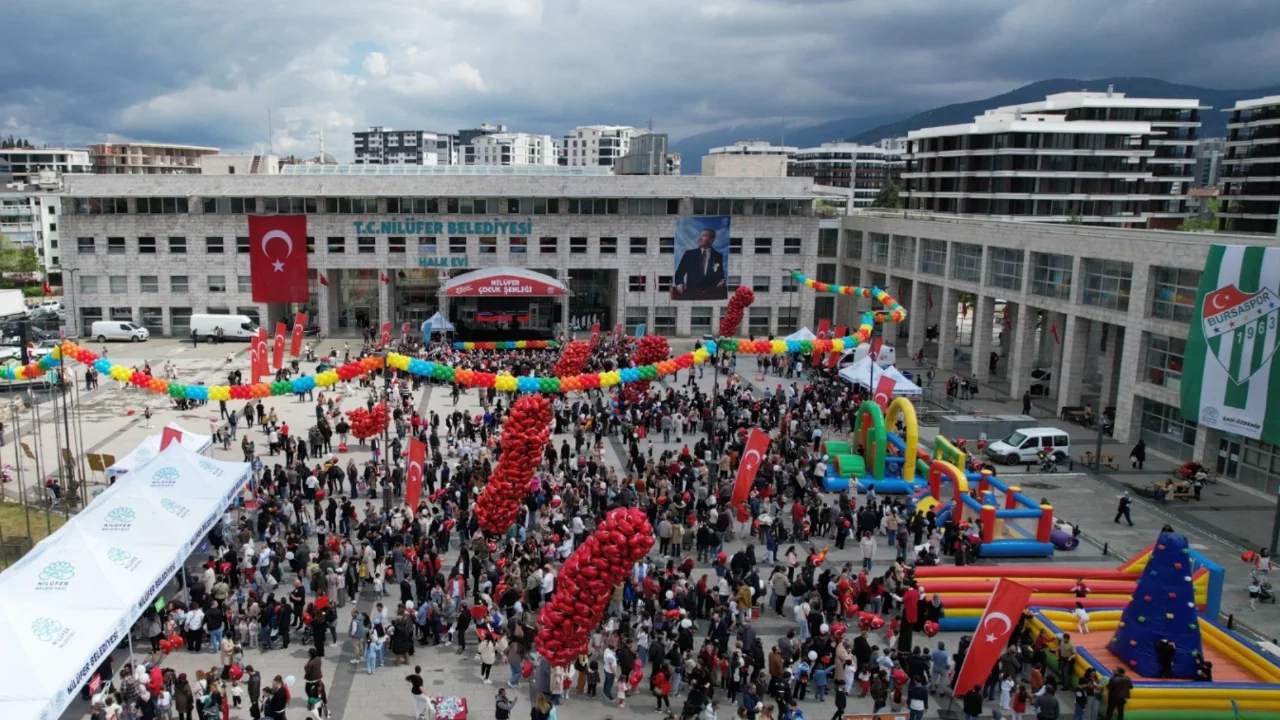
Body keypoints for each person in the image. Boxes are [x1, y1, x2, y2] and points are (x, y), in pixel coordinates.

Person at [673, 228, 727, 300]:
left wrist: (722, 280)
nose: (700, 238)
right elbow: (680, 272)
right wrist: (679, 283)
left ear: (711, 240)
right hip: (691, 293)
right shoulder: (689, 254)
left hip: (711, 295)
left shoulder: (718, 255)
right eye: (700, 236)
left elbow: (720, 274)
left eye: (704, 236)